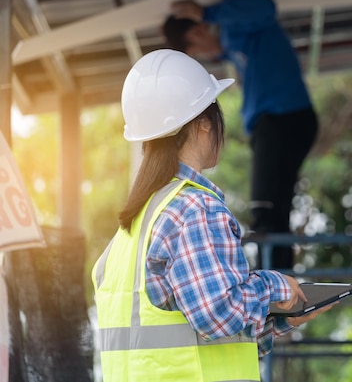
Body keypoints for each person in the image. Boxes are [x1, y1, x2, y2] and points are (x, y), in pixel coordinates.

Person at [91, 49, 331, 382]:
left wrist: (281, 320)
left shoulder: (131, 229)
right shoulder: (195, 209)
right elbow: (217, 314)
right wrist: (280, 289)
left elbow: (198, 332)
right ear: (204, 123)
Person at [161, 0, 318, 270]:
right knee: (275, 210)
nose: (201, 55)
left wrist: (203, 12)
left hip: (282, 119)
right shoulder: (232, 45)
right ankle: (282, 281)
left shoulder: (239, 28)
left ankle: (274, 283)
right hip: (280, 122)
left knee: (264, 209)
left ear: (198, 31)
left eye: (194, 49)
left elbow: (266, 7)